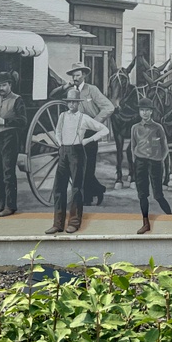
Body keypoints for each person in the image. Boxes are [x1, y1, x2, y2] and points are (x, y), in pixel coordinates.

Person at [45, 88, 109, 235]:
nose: (72, 105)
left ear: (79, 103)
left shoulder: (84, 118)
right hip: (63, 152)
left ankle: (74, 223)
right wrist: (60, 143)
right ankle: (57, 224)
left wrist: (88, 140)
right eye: (69, 102)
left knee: (76, 189)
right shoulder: (62, 116)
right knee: (58, 188)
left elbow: (104, 130)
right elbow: (58, 131)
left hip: (77, 153)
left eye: (74, 102)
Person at [50, 62, 114, 205]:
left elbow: (109, 107)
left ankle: (88, 198)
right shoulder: (70, 91)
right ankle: (97, 190)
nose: (75, 78)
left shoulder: (92, 90)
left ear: (84, 75)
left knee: (88, 166)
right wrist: (65, 86)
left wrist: (94, 122)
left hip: (89, 133)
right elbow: (52, 96)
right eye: (73, 76)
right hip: (73, 133)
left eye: (78, 75)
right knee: (76, 166)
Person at [0, 71, 27, 217]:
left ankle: (10, 206)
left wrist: (5, 122)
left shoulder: (17, 100)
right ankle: (0, 205)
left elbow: (23, 121)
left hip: (10, 138)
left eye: (3, 85)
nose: (1, 88)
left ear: (10, 85)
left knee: (8, 173)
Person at [130, 97, 172, 234]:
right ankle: (145, 223)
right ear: (139, 112)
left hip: (155, 163)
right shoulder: (135, 128)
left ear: (151, 112)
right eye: (142, 110)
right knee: (142, 195)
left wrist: (159, 159)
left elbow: (165, 148)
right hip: (140, 162)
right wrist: (136, 161)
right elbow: (133, 146)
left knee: (158, 195)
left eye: (147, 110)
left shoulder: (158, 127)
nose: (145, 113)